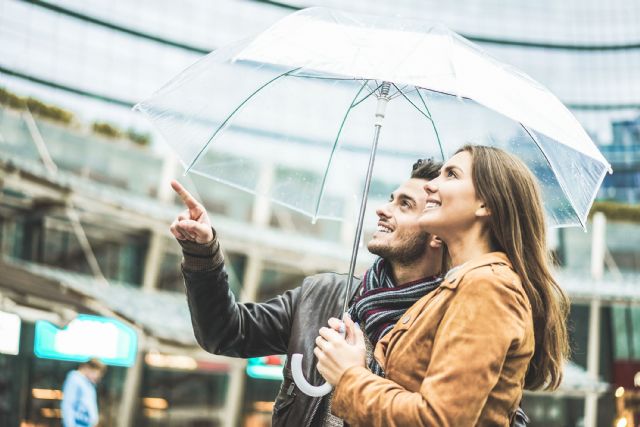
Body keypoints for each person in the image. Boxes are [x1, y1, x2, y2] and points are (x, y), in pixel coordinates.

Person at [169, 159, 445, 427]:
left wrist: (354, 376)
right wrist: (202, 253)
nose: (383, 210)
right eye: (391, 199)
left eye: (405, 205)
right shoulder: (321, 296)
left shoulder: (446, 325)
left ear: (437, 233)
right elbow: (225, 332)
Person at [315, 145, 570, 426]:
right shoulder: (453, 289)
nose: (431, 187)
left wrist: (349, 375)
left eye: (451, 175)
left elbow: (438, 419)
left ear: (485, 205)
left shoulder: (489, 287)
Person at [61, 358, 106, 427]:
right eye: (97, 374)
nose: (97, 378)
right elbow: (68, 405)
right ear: (88, 368)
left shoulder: (87, 383)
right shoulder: (75, 379)